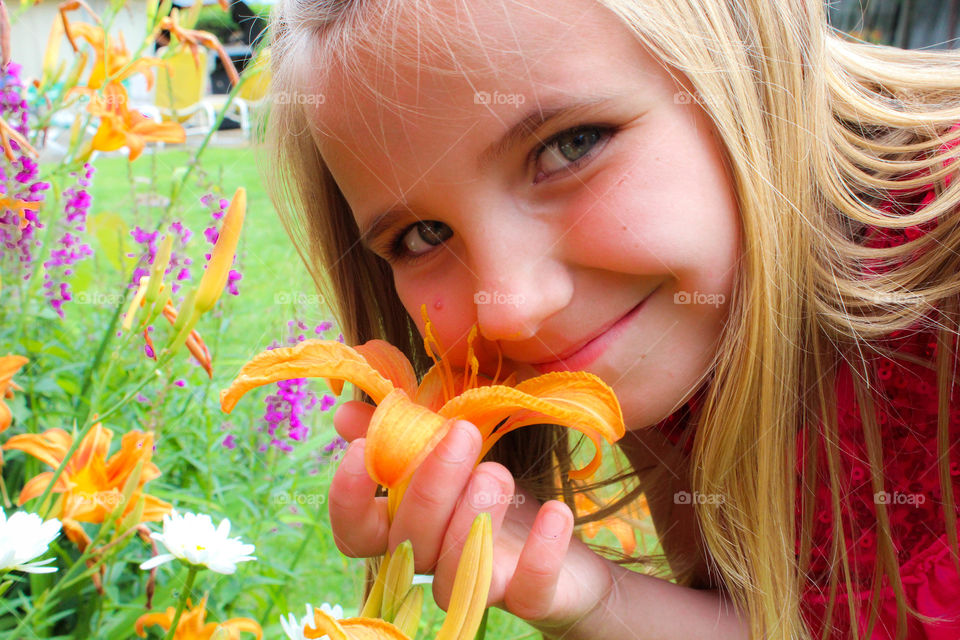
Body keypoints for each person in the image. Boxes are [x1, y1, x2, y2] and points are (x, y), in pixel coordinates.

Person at [262, 0, 960, 637]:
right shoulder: (671, 335)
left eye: (571, 145)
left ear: (746, 58)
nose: (511, 308)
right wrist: (592, 597)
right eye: (424, 237)